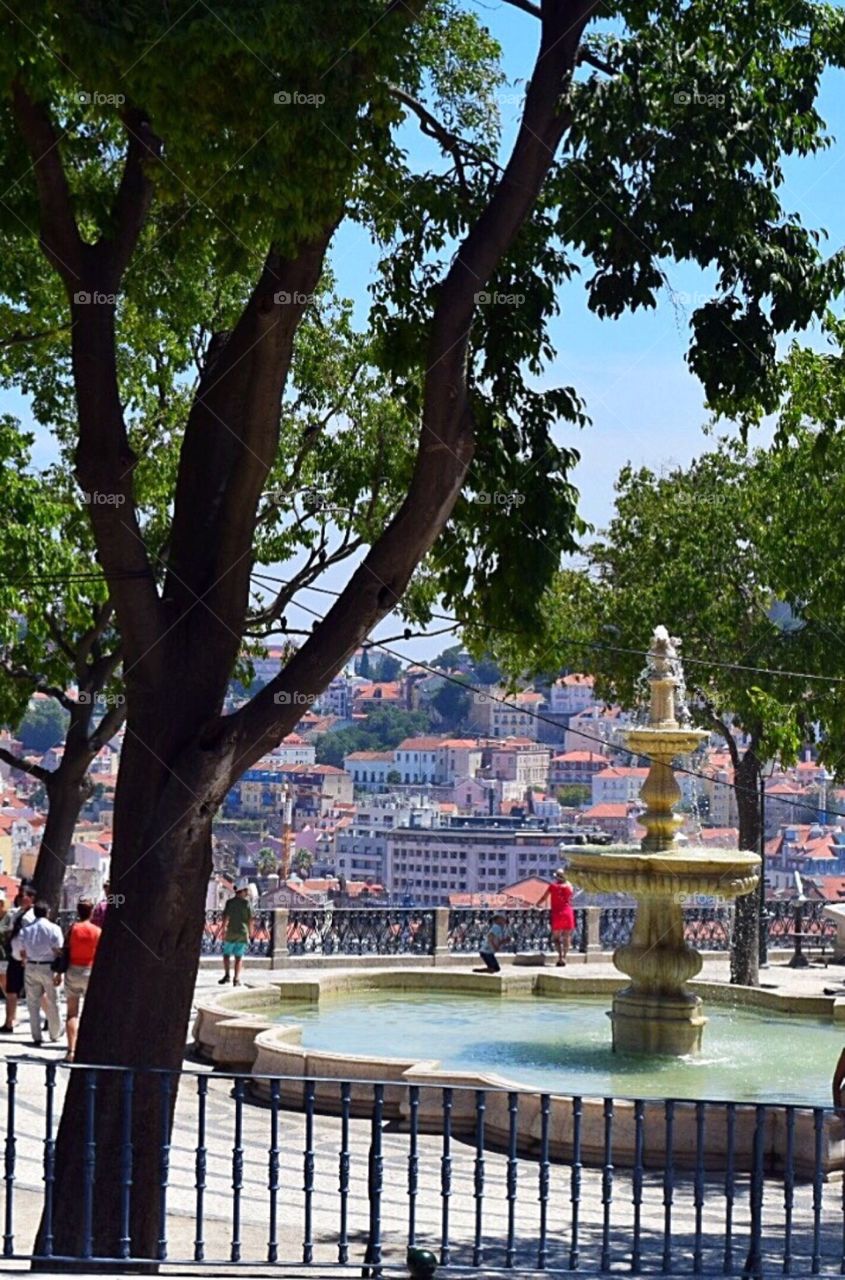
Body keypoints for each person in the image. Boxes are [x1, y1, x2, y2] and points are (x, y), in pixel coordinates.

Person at [62, 898, 101, 1062]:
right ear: (91, 911)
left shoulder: (73, 929)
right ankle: (91, 1050)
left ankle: (71, 1050)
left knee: (72, 1013)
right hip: (90, 970)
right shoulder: (97, 931)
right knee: (92, 1012)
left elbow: (65, 950)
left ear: (78, 911)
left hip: (73, 969)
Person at [19, 901, 63, 1046]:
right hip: (49, 967)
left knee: (32, 1003)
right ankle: (54, 1033)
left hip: (31, 965)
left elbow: (22, 951)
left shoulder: (25, 930)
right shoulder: (54, 929)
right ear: (47, 912)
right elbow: (58, 950)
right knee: (53, 1001)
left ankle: (36, 1036)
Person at [1, 884, 35, 1033]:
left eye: (24, 896)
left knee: (36, 993)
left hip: (27, 960)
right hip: (14, 958)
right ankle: (9, 1022)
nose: (21, 899)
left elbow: (31, 938)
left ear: (32, 899)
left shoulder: (31, 917)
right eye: (20, 896)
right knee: (11, 991)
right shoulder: (16, 914)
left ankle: (50, 1018)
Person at [537, 867, 576, 966]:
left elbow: (544, 898)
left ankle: (560, 957)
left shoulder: (553, 886)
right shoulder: (569, 886)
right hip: (568, 912)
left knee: (556, 938)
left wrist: (537, 905)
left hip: (557, 913)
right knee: (567, 936)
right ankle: (565, 957)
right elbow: (571, 896)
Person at [218, 882, 254, 987]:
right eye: (246, 890)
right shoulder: (247, 904)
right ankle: (236, 979)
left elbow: (225, 917)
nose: (247, 892)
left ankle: (227, 975)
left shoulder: (230, 902)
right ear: (242, 891)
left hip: (231, 932)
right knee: (239, 957)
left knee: (226, 955)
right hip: (242, 932)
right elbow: (250, 920)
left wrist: (223, 929)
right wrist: (250, 932)